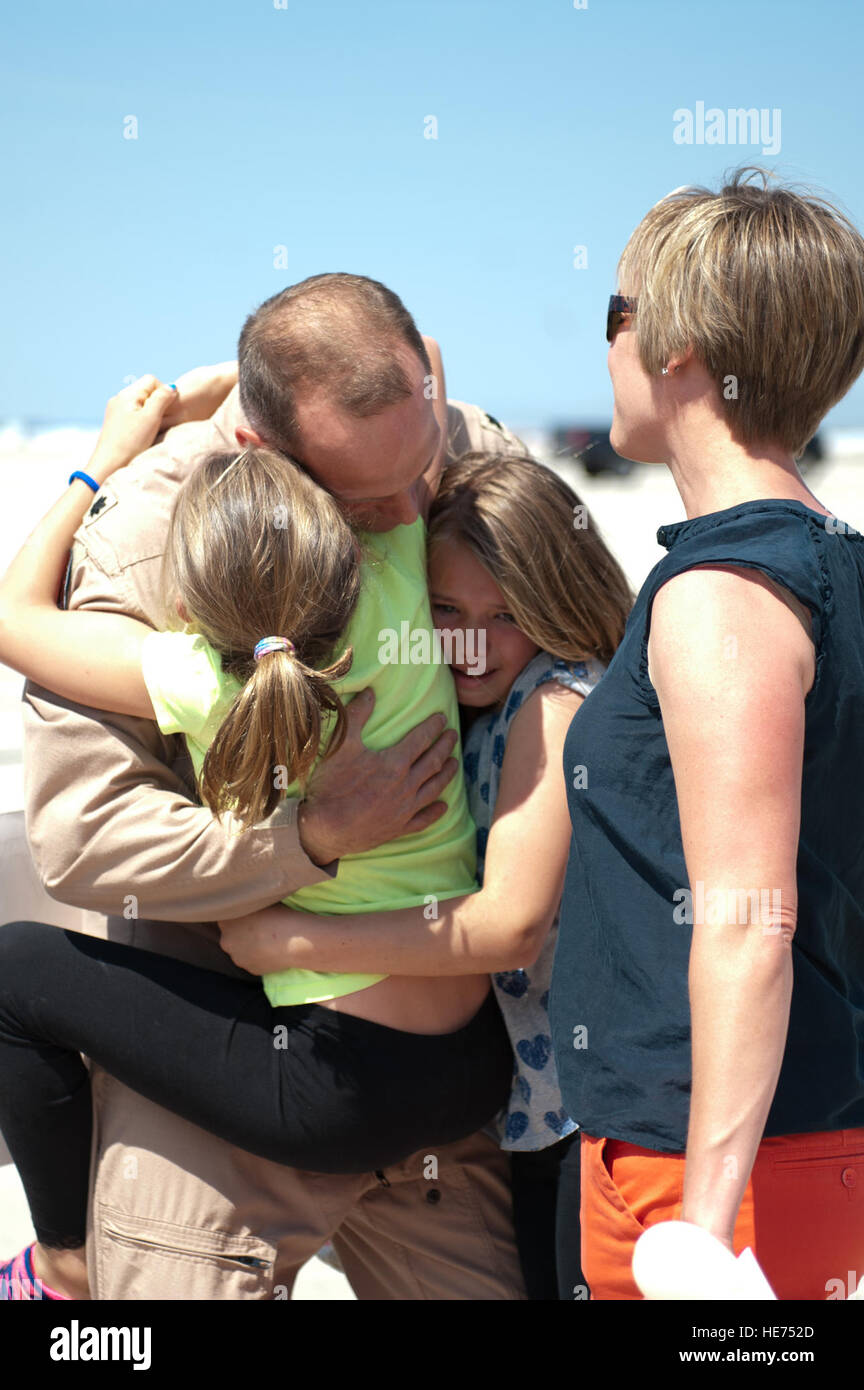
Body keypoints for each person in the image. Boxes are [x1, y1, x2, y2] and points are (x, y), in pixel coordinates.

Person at [12, 274, 531, 1301]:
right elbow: (83, 842)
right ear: (264, 458)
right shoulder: (169, 540)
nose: (405, 513)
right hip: (437, 1059)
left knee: (13, 967)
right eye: (364, 497)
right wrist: (308, 839)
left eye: (416, 467)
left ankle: (61, 1262)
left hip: (338, 1080)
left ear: (426, 382)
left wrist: (89, 464)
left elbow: (9, 615)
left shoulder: (443, 473)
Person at [543, 168, 864, 1300]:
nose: (606, 347)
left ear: (680, 346)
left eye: (615, 315)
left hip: (710, 1176)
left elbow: (746, 918)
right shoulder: (833, 569)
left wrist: (705, 1235)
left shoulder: (722, 590)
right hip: (804, 1142)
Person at [217, 449, 634, 1299]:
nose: (474, 642)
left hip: (600, 1116)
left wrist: (295, 938)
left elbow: (508, 925)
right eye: (447, 609)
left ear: (559, 600)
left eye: (508, 613)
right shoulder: (488, 698)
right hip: (546, 1104)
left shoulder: (555, 703)